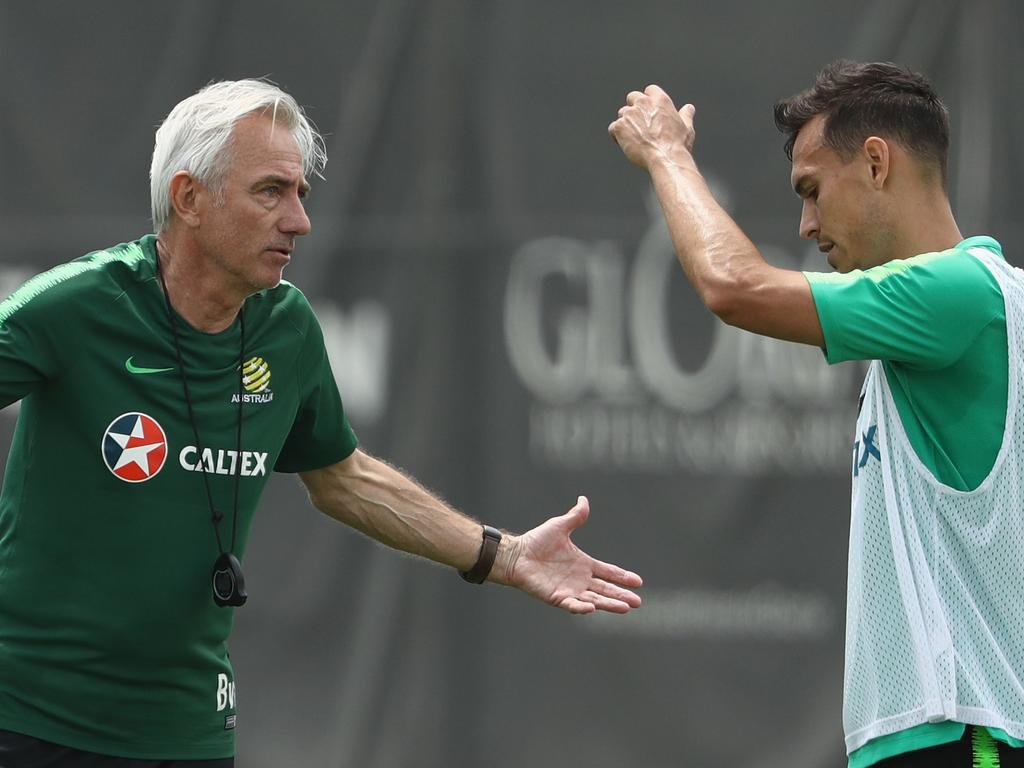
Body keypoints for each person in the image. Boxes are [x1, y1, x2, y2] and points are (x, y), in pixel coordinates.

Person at [0, 79, 643, 767]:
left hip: (186, 727)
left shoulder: (286, 327)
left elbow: (344, 479)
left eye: (301, 193)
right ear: (189, 198)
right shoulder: (72, 308)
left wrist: (504, 555)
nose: (300, 220)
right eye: (270, 191)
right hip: (34, 720)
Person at [609, 61, 1024, 767]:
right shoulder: (959, 308)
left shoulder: (958, 293)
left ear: (874, 162)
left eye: (811, 191)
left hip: (966, 735)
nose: (805, 225)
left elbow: (732, 285)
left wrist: (666, 154)